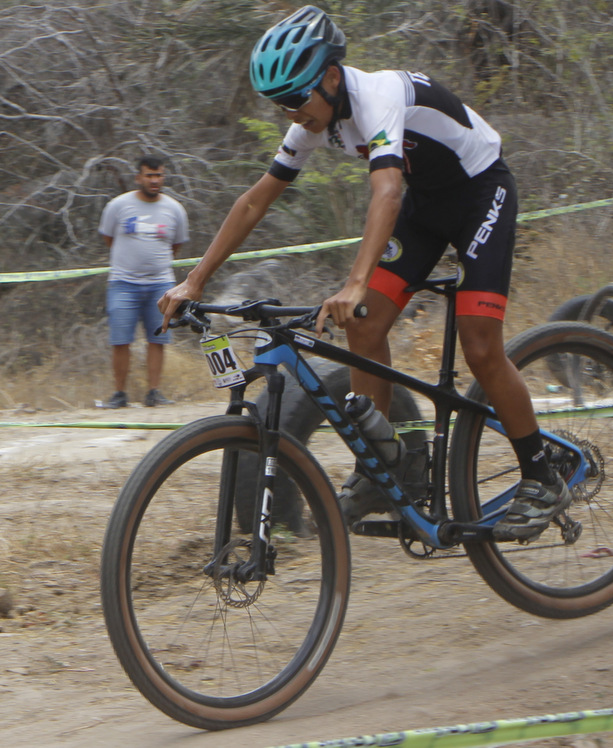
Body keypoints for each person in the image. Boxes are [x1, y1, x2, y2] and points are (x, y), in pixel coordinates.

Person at [158, 5, 570, 541]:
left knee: (480, 345)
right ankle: (382, 467)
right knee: (364, 323)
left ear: (331, 77)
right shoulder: (314, 118)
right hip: (427, 203)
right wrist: (195, 279)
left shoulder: (377, 96)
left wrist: (355, 282)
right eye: (279, 104)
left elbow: (387, 191)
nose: (289, 114)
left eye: (295, 100)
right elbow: (255, 201)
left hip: (481, 192)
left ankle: (541, 475)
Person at [99, 156, 189, 408]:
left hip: (160, 284)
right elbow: (108, 238)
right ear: (138, 178)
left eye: (158, 175)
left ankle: (154, 392)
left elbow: (176, 244)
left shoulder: (174, 209)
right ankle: (119, 394)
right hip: (123, 283)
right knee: (120, 339)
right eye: (149, 175)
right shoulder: (118, 205)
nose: (154, 180)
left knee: (158, 337)